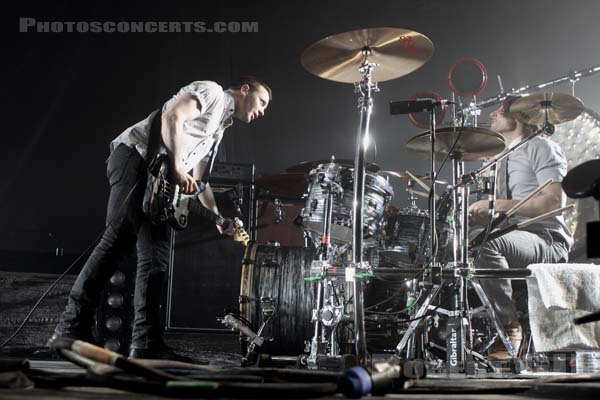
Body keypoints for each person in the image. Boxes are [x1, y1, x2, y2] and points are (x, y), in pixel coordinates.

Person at [48, 77, 271, 360]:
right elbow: (172, 116)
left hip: (158, 179)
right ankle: (71, 328)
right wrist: (177, 167)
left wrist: (218, 218)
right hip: (136, 158)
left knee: (156, 259)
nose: (263, 111)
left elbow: (199, 183)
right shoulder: (213, 93)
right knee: (117, 240)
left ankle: (146, 344)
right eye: (262, 102)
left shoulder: (219, 130)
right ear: (245, 90)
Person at [468, 96, 573, 360]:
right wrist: (482, 217)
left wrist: (496, 204)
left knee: (484, 243)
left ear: (520, 117)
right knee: (462, 243)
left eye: (501, 110)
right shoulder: (501, 158)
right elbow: (506, 214)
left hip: (547, 239)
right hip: (516, 237)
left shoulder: (541, 147)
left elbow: (553, 203)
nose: (492, 114)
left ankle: (509, 327)